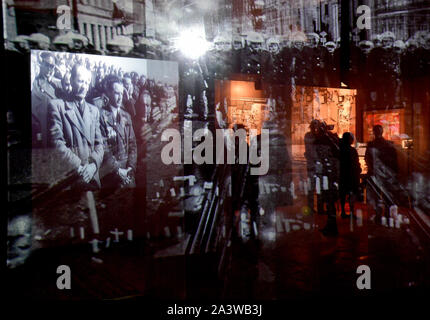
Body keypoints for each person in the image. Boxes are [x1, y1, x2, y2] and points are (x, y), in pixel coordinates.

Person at [47, 63, 104, 189]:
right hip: (71, 178)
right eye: (80, 81)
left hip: (92, 176)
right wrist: (80, 168)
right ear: (71, 81)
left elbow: (99, 144)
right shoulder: (57, 106)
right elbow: (57, 143)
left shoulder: (94, 110)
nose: (84, 86)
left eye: (87, 82)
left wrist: (93, 166)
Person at [99, 75, 137, 189]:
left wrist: (130, 167)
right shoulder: (101, 116)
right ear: (109, 93)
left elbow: (133, 145)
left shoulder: (126, 116)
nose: (120, 97)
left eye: (121, 93)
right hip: (111, 174)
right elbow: (104, 148)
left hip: (128, 172)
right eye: (116, 93)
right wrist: (117, 170)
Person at [32, 52, 61, 148]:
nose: (49, 69)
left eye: (52, 66)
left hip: (57, 127)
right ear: (41, 65)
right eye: (47, 65)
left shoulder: (56, 83)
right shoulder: (36, 83)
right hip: (43, 127)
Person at [339, 132, 361, 219]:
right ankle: (351, 211)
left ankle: (343, 211)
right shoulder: (352, 151)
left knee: (343, 194)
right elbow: (355, 163)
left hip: (343, 174)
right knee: (352, 193)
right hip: (351, 175)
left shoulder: (340, 150)